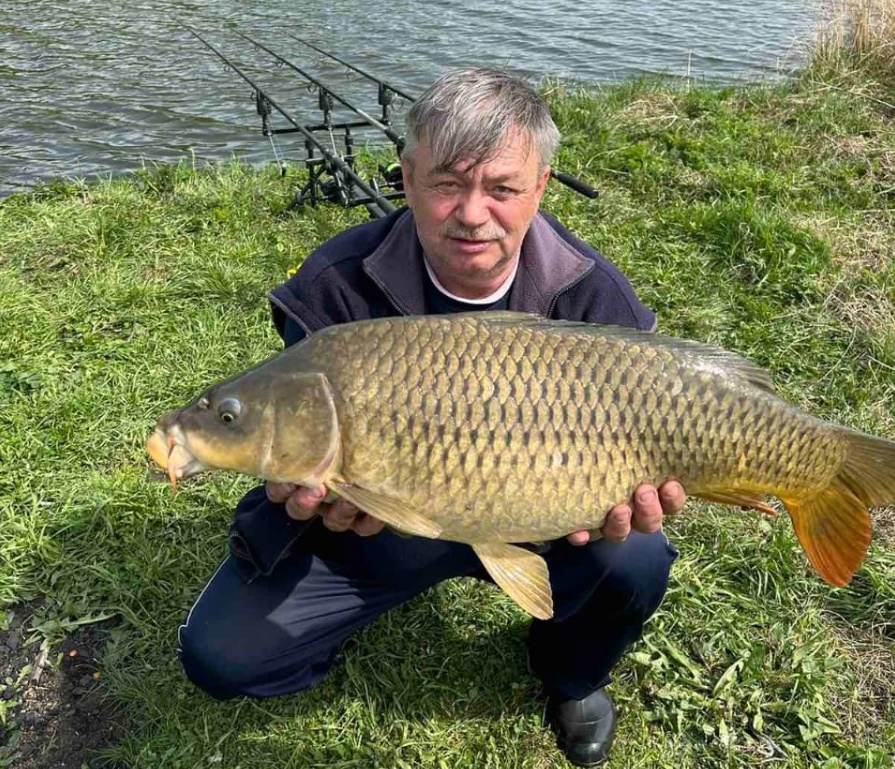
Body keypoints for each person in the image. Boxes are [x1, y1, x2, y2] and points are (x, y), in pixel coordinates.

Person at [178, 67, 685, 767]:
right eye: (447, 183)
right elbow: (291, 443)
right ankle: (353, 611)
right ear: (406, 177)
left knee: (635, 553)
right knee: (222, 659)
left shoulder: (592, 295)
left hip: (549, 518)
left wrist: (647, 492)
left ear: (539, 187)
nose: (472, 213)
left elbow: (658, 440)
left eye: (501, 188)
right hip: (382, 521)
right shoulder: (334, 284)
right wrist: (308, 500)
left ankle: (572, 676)